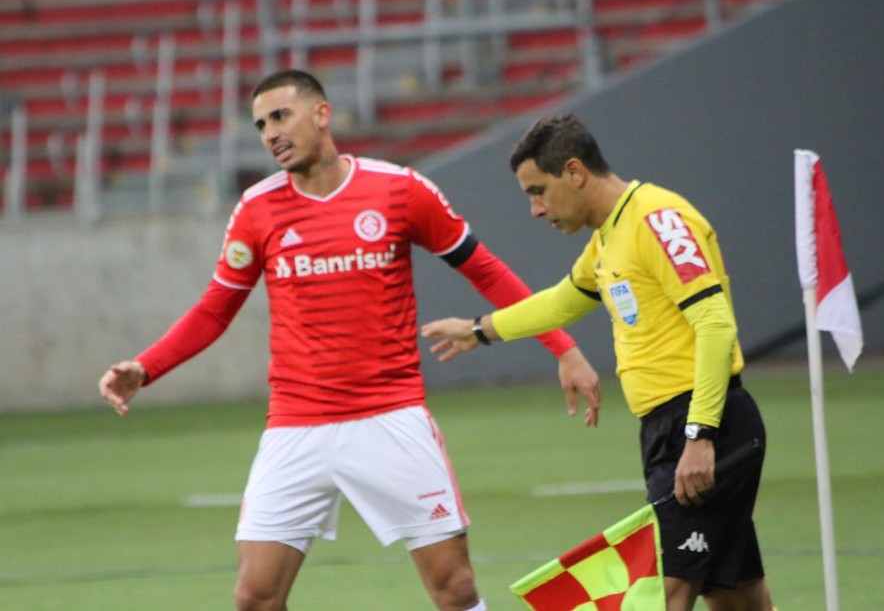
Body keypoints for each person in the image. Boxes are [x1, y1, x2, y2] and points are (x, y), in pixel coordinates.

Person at [98, 72, 601, 611]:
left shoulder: (398, 189)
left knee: (455, 589)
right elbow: (214, 309)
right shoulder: (256, 209)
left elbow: (485, 271)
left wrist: (563, 348)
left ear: (321, 115)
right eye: (261, 124)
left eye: (281, 116)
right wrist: (146, 368)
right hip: (296, 425)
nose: (270, 133)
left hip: (391, 416)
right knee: (254, 596)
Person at [422, 113, 775, 611]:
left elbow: (716, 325)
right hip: (668, 428)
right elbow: (562, 301)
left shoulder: (658, 220)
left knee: (665, 593)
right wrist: (480, 329)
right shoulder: (608, 238)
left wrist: (700, 435)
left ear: (574, 171)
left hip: (702, 426)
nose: (536, 210)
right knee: (736, 594)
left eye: (538, 191)